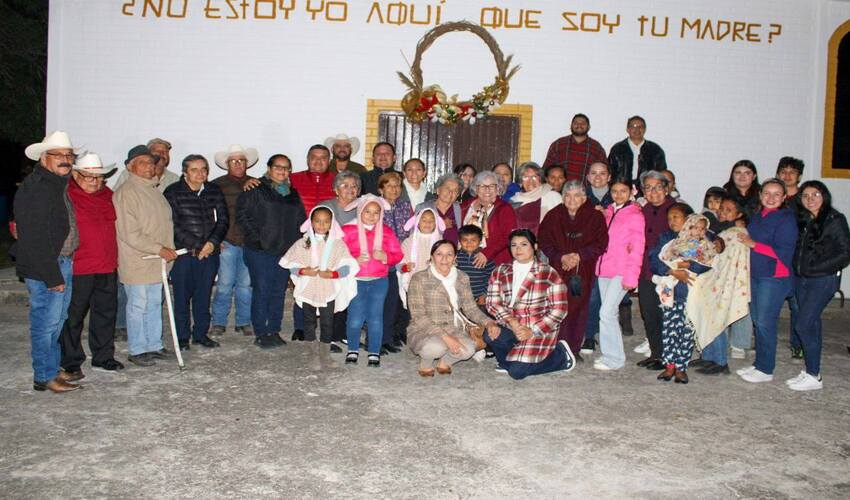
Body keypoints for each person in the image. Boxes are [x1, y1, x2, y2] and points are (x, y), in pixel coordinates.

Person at [14, 131, 81, 392]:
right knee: (45, 323)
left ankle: (52, 369)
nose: (65, 160)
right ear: (44, 158)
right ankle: (44, 376)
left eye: (69, 155)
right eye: (58, 155)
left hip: (60, 262)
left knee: (57, 320)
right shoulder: (38, 188)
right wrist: (52, 275)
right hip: (47, 266)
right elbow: (35, 237)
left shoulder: (56, 184)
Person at [59, 153, 124, 377]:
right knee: (73, 316)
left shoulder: (108, 195)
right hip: (79, 267)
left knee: (105, 314)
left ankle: (103, 356)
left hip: (107, 265)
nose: (95, 181)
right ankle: (71, 360)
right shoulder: (66, 196)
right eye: (89, 177)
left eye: (99, 177)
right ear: (76, 175)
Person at [113, 144, 177, 367]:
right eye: (143, 163)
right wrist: (159, 249)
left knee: (153, 304)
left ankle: (154, 345)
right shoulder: (127, 193)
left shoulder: (153, 189)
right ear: (130, 167)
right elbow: (130, 233)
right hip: (138, 260)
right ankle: (138, 349)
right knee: (138, 305)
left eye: (151, 162)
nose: (149, 167)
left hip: (157, 261)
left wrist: (165, 250)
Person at [236, 153, 307, 349]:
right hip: (260, 251)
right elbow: (242, 215)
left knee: (278, 291)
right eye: (278, 167)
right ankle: (261, 332)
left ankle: (274, 330)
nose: (282, 171)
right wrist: (258, 239)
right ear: (269, 168)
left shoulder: (292, 193)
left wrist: (300, 243)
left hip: (284, 251)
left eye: (286, 167)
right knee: (262, 290)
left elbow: (300, 219)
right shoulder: (255, 188)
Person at [485, 229, 575, 380]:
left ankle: (560, 356)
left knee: (517, 373)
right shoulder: (500, 271)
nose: (518, 249)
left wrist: (533, 331)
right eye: (514, 245)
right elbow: (492, 303)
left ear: (534, 247)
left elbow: (560, 309)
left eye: (524, 244)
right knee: (489, 335)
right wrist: (511, 321)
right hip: (511, 325)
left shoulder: (548, 273)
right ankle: (510, 359)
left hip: (537, 329)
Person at [787, 181, 850, 390]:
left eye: (815, 195)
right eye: (805, 196)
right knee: (812, 324)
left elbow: (845, 253)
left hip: (822, 280)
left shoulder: (834, 219)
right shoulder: (804, 218)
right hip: (802, 278)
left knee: (803, 324)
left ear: (824, 196)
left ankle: (815, 376)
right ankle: (811, 370)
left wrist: (816, 268)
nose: (810, 199)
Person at [407, 240, 500, 376]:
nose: (444, 259)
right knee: (436, 348)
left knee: (468, 351)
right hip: (424, 328)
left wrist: (489, 322)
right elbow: (418, 316)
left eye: (449, 254)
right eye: (439, 254)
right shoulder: (419, 278)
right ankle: (426, 363)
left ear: (455, 258)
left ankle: (445, 362)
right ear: (432, 257)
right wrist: (445, 337)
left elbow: (470, 308)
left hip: (453, 327)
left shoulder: (462, 277)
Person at [164, 154, 229, 351]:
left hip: (209, 254)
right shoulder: (173, 192)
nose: (200, 173)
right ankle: (182, 337)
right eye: (194, 169)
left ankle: (201, 334)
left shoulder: (213, 190)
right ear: (185, 172)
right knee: (182, 298)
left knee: (203, 296)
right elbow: (171, 225)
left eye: (203, 169)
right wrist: (198, 245)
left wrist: (212, 243)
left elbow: (223, 220)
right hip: (184, 255)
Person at [736, 179, 798, 383]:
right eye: (767, 193)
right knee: (757, 320)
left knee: (765, 322)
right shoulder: (758, 216)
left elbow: (784, 251)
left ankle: (766, 369)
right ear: (760, 195)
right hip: (755, 275)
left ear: (784, 197)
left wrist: (753, 244)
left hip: (773, 277)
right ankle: (759, 364)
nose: (771, 198)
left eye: (776, 194)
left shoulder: (786, 218)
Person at [539, 180, 608, 355]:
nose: (572, 199)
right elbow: (544, 240)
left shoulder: (595, 216)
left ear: (584, 198)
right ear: (563, 197)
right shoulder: (554, 215)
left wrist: (579, 256)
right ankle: (555, 347)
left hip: (583, 269)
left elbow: (601, 243)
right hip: (558, 267)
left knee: (578, 308)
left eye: (577, 195)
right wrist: (561, 256)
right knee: (556, 306)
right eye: (568, 195)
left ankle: (573, 349)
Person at [280, 206, 359, 353]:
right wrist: (304, 271)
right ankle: (310, 345)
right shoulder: (303, 243)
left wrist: (333, 274)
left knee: (327, 321)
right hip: (308, 287)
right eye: (317, 221)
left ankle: (325, 347)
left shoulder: (337, 244)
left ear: (332, 223)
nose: (321, 225)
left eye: (326, 221)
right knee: (308, 320)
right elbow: (291, 264)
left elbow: (347, 266)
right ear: (311, 222)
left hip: (328, 288)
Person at [651, 211, 717, 384]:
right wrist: (673, 268)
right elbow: (661, 259)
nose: (698, 232)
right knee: (669, 331)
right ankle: (669, 366)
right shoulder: (674, 243)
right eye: (695, 227)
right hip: (673, 294)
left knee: (687, 332)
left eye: (702, 229)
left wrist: (691, 265)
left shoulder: (707, 246)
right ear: (687, 227)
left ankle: (681, 367)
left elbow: (709, 265)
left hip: (692, 296)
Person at [341, 195, 404, 367]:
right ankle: (352, 349)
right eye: (367, 211)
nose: (371, 215)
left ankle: (374, 351)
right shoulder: (348, 230)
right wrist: (353, 260)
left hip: (379, 281)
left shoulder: (386, 231)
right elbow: (338, 254)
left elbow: (398, 254)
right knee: (355, 317)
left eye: (376, 212)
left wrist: (386, 257)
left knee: (375, 317)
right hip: (356, 280)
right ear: (359, 211)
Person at [694, 197, 753, 374]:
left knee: (717, 320)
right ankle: (708, 356)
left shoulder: (737, 233)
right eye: (721, 208)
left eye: (728, 210)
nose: (722, 212)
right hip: (715, 280)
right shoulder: (723, 230)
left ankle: (720, 362)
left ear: (739, 214)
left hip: (724, 282)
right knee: (707, 316)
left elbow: (728, 260)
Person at [591, 178, 645, 370]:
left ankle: (614, 359)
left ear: (632, 192)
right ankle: (610, 355)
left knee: (606, 312)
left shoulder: (635, 215)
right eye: (615, 191)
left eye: (623, 191)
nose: (619, 195)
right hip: (604, 269)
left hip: (622, 270)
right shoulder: (609, 211)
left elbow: (637, 248)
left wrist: (632, 276)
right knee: (608, 313)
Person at [210, 144, 260, 337]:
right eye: (233, 161)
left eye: (241, 160)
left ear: (247, 163)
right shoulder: (216, 185)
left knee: (245, 286)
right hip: (227, 241)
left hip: (248, 243)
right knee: (224, 284)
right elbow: (210, 214)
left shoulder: (256, 184)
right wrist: (215, 239)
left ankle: (243, 321)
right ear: (227, 164)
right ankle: (219, 322)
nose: (238, 164)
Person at [635, 170, 676, 369]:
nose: (654, 192)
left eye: (658, 187)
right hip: (646, 271)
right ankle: (656, 353)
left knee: (667, 313)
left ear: (667, 189)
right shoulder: (641, 210)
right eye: (648, 188)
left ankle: (669, 357)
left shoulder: (676, 210)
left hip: (668, 274)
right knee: (649, 312)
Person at [378, 170, 414, 352]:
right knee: (383, 302)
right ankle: (378, 338)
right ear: (381, 189)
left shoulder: (405, 206)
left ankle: (392, 335)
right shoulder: (376, 206)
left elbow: (412, 231)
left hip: (403, 258)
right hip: (383, 261)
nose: (394, 189)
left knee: (398, 301)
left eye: (397, 185)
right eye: (389, 186)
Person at [776, 157, 805, 359]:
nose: (787, 175)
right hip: (774, 259)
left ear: (799, 176)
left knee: (797, 305)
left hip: (797, 260)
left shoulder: (805, 199)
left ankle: (798, 343)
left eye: (792, 172)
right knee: (770, 304)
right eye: (783, 171)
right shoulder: (773, 197)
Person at [461, 171, 518, 266]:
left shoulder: (505, 208)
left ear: (498, 189)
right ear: (476, 189)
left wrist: (487, 253)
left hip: (494, 261)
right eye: (482, 186)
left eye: (492, 186)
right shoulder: (465, 206)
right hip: (465, 258)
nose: (487, 189)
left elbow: (509, 236)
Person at [398, 208, 445, 306]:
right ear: (417, 222)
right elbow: (400, 264)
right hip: (414, 285)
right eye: (424, 220)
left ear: (436, 223)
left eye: (431, 220)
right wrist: (405, 267)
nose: (428, 223)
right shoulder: (408, 242)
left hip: (435, 285)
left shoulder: (441, 242)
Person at [542, 113, 607, 182]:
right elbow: (546, 170)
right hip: (560, 188)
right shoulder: (558, 144)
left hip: (585, 188)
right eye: (576, 123)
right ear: (571, 126)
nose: (579, 125)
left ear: (589, 127)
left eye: (583, 123)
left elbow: (605, 171)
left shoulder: (596, 148)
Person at [607, 116, 667, 185]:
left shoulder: (655, 150)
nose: (637, 129)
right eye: (633, 126)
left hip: (647, 187)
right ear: (627, 129)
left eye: (640, 126)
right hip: (622, 186)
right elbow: (610, 171)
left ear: (645, 129)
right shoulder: (617, 149)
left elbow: (661, 173)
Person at [509, 162, 563, 235]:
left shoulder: (553, 196)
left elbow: (563, 224)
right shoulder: (514, 201)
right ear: (520, 182)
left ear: (540, 179)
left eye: (534, 177)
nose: (531, 181)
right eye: (526, 177)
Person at [113, 137, 179, 192]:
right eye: (157, 151)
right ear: (148, 155)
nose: (162, 154)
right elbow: (115, 197)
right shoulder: (128, 174)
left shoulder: (174, 179)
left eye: (165, 152)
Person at [416, 172, 463, 244]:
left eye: (455, 190)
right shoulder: (422, 208)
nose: (450, 192)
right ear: (438, 190)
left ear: (457, 195)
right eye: (447, 188)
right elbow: (415, 233)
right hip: (428, 248)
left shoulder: (460, 209)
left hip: (455, 250)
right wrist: (440, 227)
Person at [455, 225, 495, 308]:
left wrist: (484, 295)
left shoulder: (485, 258)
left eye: (473, 240)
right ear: (459, 241)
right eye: (465, 240)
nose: (469, 243)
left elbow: (492, 278)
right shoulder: (455, 257)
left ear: (480, 241)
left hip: (479, 299)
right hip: (459, 298)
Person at [290, 144, 336, 215]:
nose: (318, 161)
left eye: (323, 158)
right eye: (314, 157)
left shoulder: (338, 180)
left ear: (329, 161)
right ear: (308, 160)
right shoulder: (292, 179)